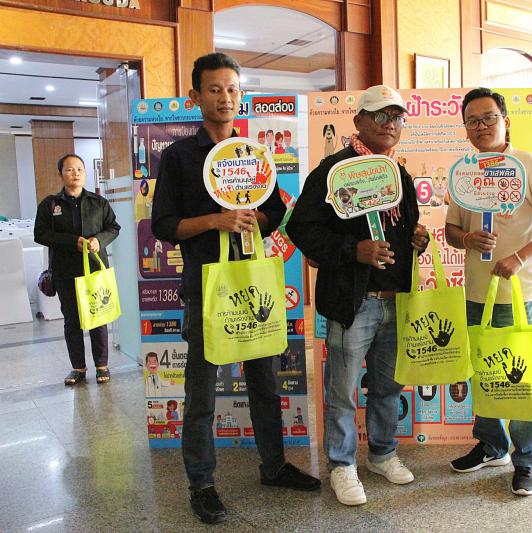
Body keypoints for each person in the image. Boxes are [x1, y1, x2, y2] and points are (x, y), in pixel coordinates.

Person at [151, 52, 319, 525]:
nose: (225, 97)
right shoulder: (179, 156)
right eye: (214, 89)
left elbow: (275, 213)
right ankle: (201, 483)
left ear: (241, 95)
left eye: (232, 89)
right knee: (201, 394)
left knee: (264, 383)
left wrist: (252, 219)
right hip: (206, 287)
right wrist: (215, 220)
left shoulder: (252, 155)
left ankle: (274, 466)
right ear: (195, 96)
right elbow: (163, 224)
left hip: (252, 285)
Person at [287, 85, 429, 506]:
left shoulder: (399, 173)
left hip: (395, 299)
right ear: (359, 121)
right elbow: (302, 228)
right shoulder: (332, 171)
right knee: (342, 390)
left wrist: (415, 240)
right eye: (380, 115)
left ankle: (382, 454)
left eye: (397, 117)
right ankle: (342, 464)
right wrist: (354, 250)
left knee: (388, 386)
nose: (390, 124)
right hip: (353, 301)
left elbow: (405, 227)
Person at [445, 88, 532, 497]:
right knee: (484, 373)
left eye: (489, 118)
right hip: (476, 293)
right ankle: (491, 445)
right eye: (473, 121)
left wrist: (519, 257)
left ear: (505, 121)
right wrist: (466, 239)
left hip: (520, 293)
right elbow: (450, 230)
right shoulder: (464, 172)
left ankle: (526, 460)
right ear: (466, 129)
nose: (481, 126)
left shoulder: (529, 166)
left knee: (521, 377)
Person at [34, 153, 120, 386]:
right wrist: (73, 242)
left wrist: (99, 240)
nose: (76, 173)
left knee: (98, 318)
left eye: (80, 169)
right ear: (61, 174)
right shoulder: (51, 204)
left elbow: (113, 227)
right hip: (65, 272)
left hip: (94, 270)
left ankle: (102, 365)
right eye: (70, 169)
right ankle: (78, 368)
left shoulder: (98, 202)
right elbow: (40, 234)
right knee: (72, 321)